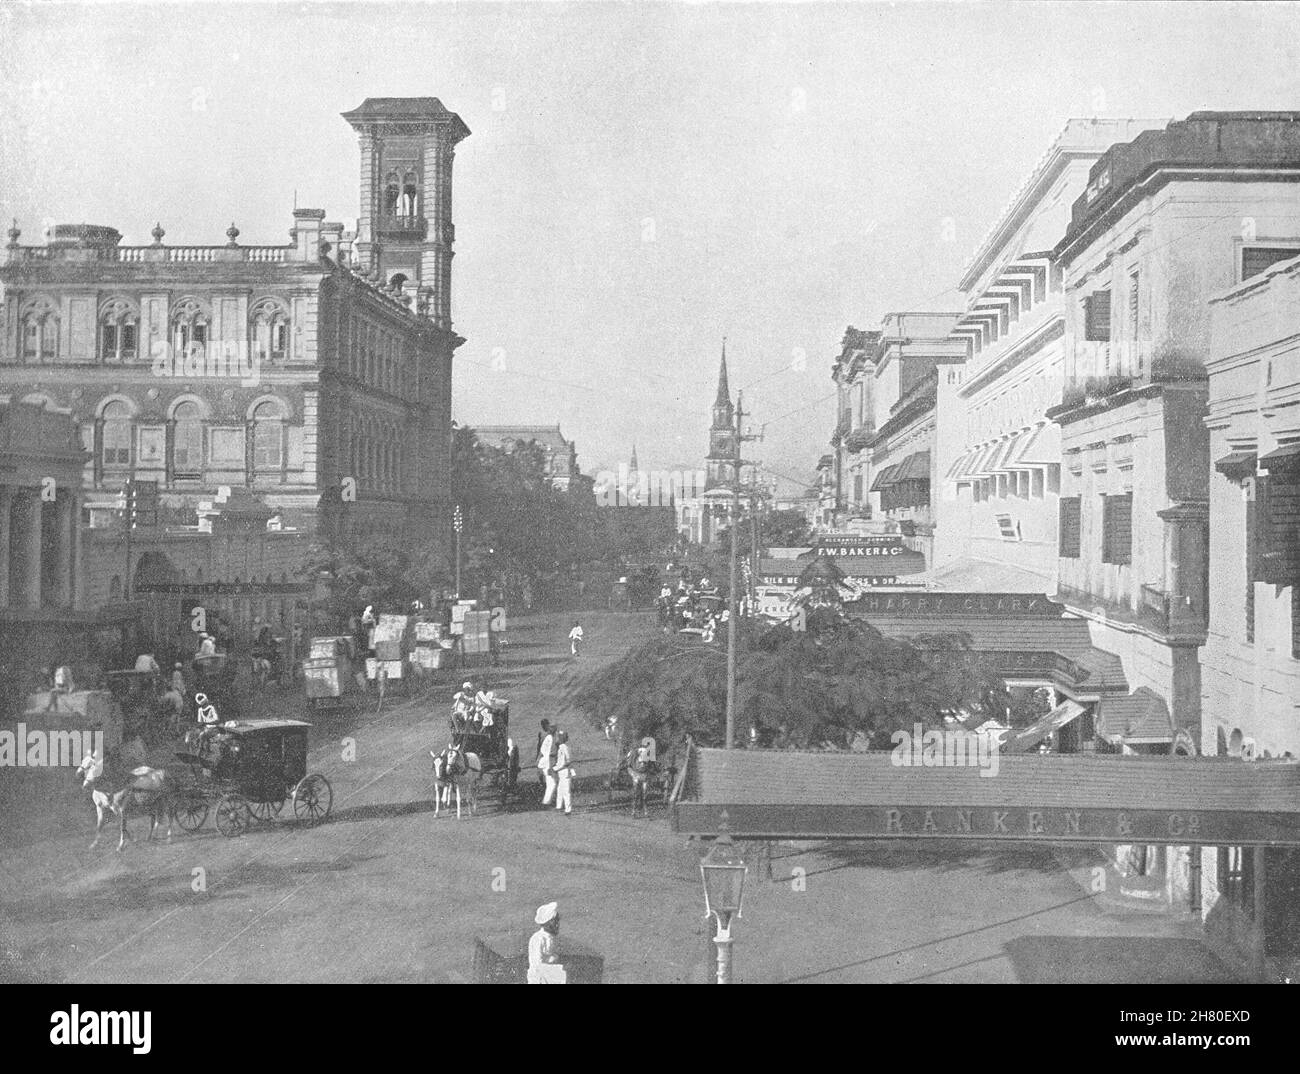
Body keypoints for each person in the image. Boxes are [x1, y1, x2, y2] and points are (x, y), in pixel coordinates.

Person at [527, 902, 567, 984]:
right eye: (555, 921)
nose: (557, 924)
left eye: (557, 921)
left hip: (549, 976)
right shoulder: (538, 938)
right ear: (548, 922)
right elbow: (537, 964)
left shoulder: (551, 938)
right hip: (539, 978)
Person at [553, 731, 575, 815]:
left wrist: (555, 769)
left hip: (565, 772)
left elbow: (566, 762)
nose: (557, 738)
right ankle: (558, 806)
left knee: (566, 791)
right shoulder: (561, 747)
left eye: (559, 737)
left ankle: (568, 809)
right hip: (561, 772)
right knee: (560, 790)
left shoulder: (564, 747)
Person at [537, 722, 557, 807]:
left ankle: (549, 800)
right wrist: (549, 767)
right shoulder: (550, 738)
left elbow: (542, 750)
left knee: (551, 783)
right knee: (552, 783)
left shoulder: (548, 737)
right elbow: (549, 753)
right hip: (547, 762)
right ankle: (546, 802)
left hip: (545, 762)